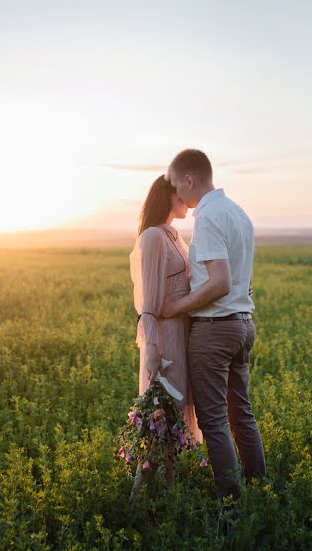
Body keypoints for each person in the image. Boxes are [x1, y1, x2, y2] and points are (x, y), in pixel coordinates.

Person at [163, 149, 266, 501]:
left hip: (215, 329)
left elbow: (220, 283)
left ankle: (232, 506)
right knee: (241, 414)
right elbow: (239, 279)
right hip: (243, 325)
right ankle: (259, 488)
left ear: (189, 179)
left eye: (177, 184)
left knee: (214, 421)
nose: (178, 194)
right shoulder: (239, 213)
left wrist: (177, 305)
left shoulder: (207, 218)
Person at [128, 174, 202, 506]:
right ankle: (133, 504)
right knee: (158, 423)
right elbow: (149, 306)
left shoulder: (174, 235)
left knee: (171, 425)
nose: (188, 200)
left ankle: (168, 503)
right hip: (164, 341)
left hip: (180, 335)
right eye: (182, 195)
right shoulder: (153, 238)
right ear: (169, 195)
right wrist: (154, 351)